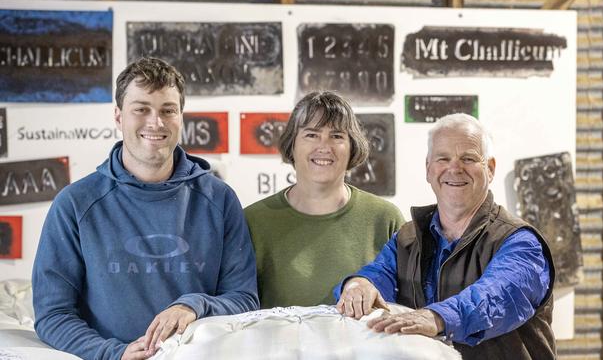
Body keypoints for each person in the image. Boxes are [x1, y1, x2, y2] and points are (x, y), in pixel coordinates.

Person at [32, 57, 259, 360]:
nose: (156, 122)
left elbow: (244, 299)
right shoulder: (75, 204)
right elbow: (52, 314)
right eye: (141, 109)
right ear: (118, 117)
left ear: (181, 117)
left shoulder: (220, 200)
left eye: (168, 110)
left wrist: (193, 305)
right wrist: (113, 353)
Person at [335, 113, 556, 360]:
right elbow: (380, 275)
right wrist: (360, 284)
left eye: (468, 158)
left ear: (490, 169)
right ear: (429, 169)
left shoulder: (522, 243)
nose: (455, 168)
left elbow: (494, 297)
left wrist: (436, 317)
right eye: (443, 158)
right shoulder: (407, 237)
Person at [244, 91, 404, 309]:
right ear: (292, 144)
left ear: (352, 147)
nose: (324, 146)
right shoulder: (252, 221)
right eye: (311, 134)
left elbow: (406, 304)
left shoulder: (385, 218)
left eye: (337, 136)